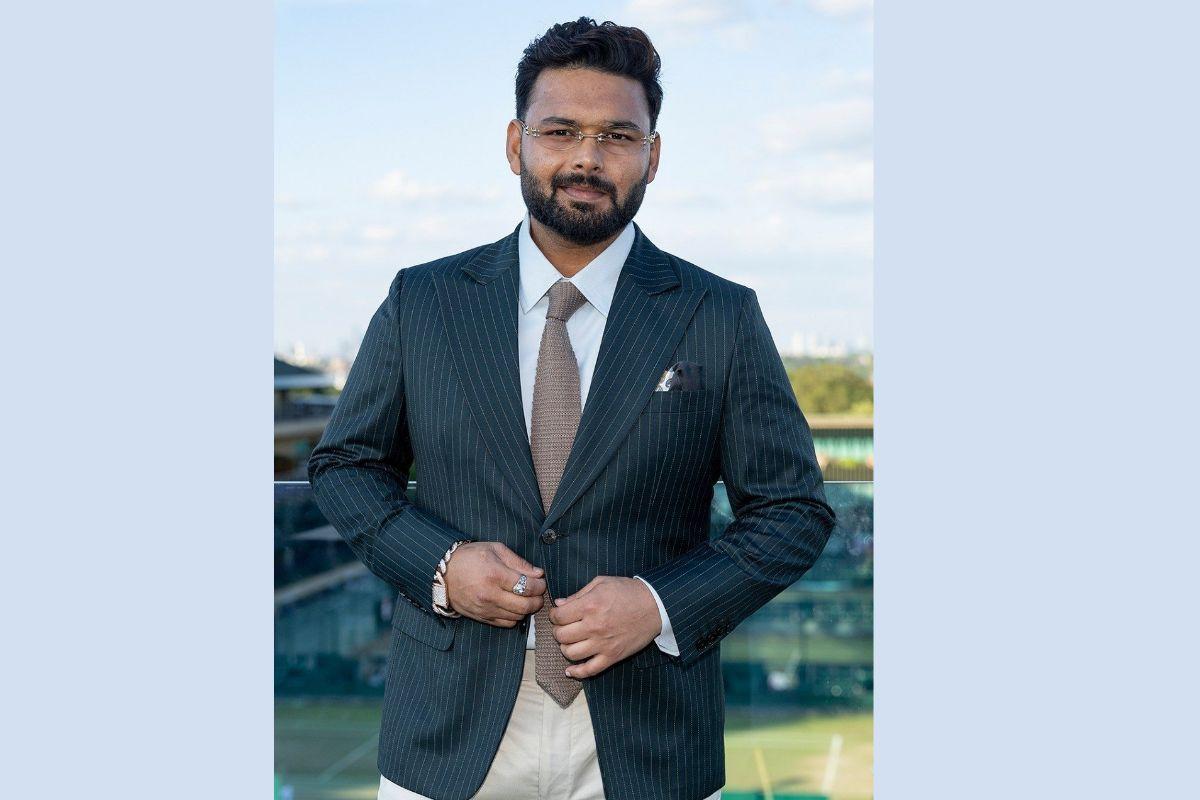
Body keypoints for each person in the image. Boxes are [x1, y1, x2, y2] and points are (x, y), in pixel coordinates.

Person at [307, 17, 836, 800]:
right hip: (448, 731)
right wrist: (445, 568)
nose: (587, 157)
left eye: (618, 136)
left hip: (648, 735)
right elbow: (346, 466)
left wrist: (657, 606)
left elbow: (793, 510)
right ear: (516, 143)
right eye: (561, 130)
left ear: (652, 157)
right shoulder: (423, 300)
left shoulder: (720, 313)